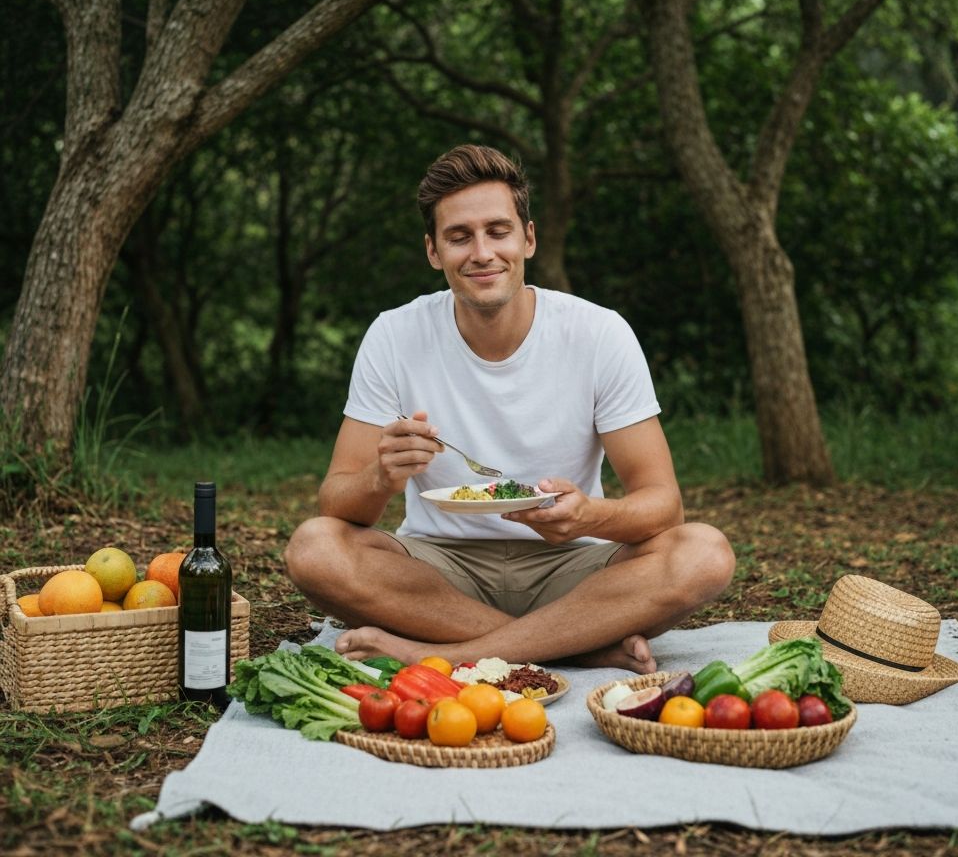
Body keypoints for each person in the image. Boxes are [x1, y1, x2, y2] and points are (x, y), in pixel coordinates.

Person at [284, 144, 734, 672]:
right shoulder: (394, 334)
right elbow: (337, 500)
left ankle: (440, 653)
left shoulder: (598, 333)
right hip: (437, 571)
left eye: (498, 231)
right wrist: (381, 478)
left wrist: (591, 515)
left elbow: (664, 503)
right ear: (433, 251)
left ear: (529, 238)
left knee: (704, 553)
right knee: (314, 548)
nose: (481, 253)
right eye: (459, 236)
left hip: (574, 568)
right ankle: (581, 647)